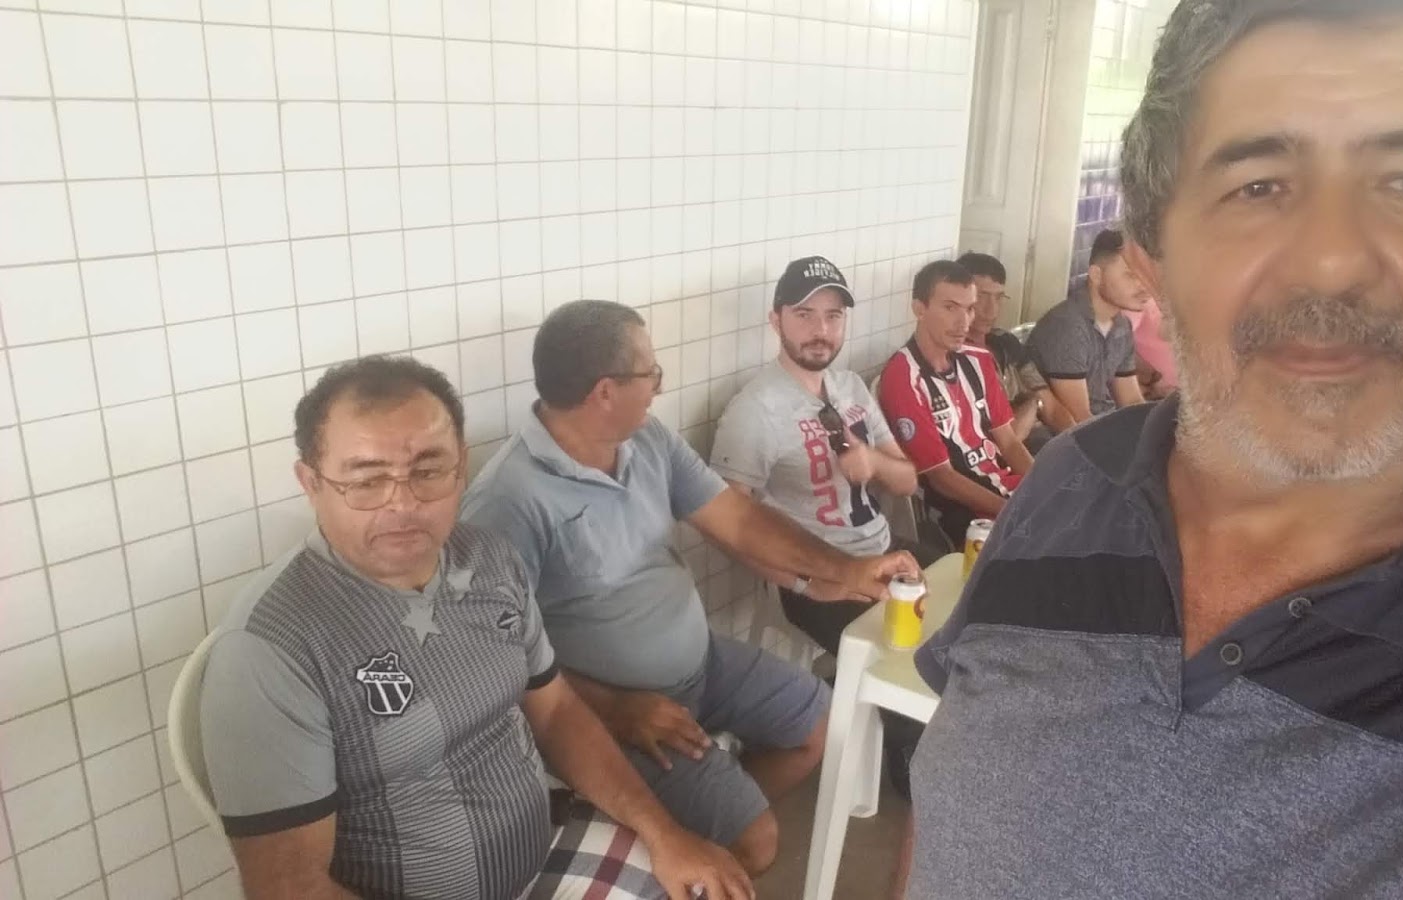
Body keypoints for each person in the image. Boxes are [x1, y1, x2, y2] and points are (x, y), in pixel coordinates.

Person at [910, 1, 1403, 898]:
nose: (1328, 262)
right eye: (1258, 186)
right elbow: (951, 791)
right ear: (1154, 260)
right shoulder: (1076, 485)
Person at [199, 356, 752, 900]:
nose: (402, 504)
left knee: (706, 884)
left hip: (546, 852)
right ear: (311, 482)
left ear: (460, 466)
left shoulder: (490, 560)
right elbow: (287, 886)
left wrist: (664, 833)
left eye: (428, 471)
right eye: (366, 480)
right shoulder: (272, 649)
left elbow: (556, 711)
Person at [462, 300, 918, 876]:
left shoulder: (645, 438)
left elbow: (739, 520)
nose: (659, 386)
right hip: (616, 705)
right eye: (651, 373)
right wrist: (616, 710)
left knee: (822, 728)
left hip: (701, 660)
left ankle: (690, 844)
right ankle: (692, 843)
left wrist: (847, 570)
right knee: (758, 844)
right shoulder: (507, 501)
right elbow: (498, 663)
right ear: (605, 392)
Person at [711, 255, 933, 657]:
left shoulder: (851, 387)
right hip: (819, 575)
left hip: (884, 550)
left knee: (969, 610)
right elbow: (728, 527)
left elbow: (907, 482)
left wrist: (873, 462)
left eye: (833, 316)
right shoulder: (755, 409)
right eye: (804, 315)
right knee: (911, 660)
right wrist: (806, 584)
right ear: (776, 320)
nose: (821, 331)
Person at [877, 260, 1035, 547]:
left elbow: (1010, 443)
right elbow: (941, 478)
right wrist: (1012, 512)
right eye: (950, 308)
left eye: (969, 308)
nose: (964, 322)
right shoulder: (903, 377)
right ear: (919, 309)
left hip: (1010, 491)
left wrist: (1044, 486)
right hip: (963, 512)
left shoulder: (979, 359)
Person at [1027, 228, 1153, 430]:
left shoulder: (1121, 325)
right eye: (1131, 275)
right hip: (1066, 440)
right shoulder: (1067, 326)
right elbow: (1078, 419)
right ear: (1096, 275)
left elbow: (1131, 402)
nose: (1144, 285)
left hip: (1103, 426)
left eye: (1146, 274)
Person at [955, 252, 1052, 446]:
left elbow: (1051, 404)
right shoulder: (954, 357)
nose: (991, 309)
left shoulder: (1005, 342)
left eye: (999, 298)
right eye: (981, 297)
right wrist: (1033, 403)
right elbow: (1006, 439)